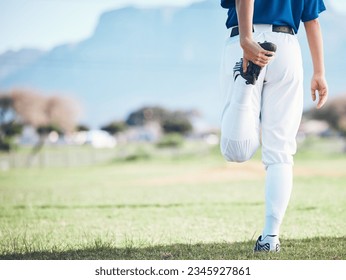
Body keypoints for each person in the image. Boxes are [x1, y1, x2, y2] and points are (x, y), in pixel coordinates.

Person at [219, 0, 328, 252]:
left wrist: (247, 38)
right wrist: (319, 72)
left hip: (242, 38)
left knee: (235, 152)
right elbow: (311, 19)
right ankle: (270, 238)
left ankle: (244, 86)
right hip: (286, 47)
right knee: (280, 152)